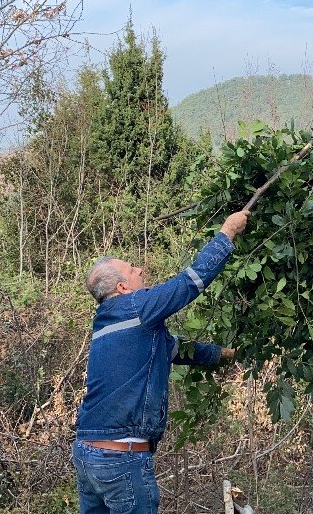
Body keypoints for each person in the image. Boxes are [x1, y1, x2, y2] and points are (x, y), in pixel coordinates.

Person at [72, 210, 250, 514]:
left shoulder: (107, 324)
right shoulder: (135, 307)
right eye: (131, 269)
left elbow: (175, 349)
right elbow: (190, 282)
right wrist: (227, 234)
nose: (140, 270)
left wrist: (224, 354)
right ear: (122, 288)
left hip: (87, 455)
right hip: (121, 459)